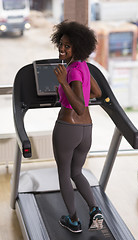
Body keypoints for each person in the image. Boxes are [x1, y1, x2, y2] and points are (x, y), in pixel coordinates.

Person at [51, 20, 103, 233]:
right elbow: (97, 93)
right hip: (86, 130)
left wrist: (64, 83)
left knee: (64, 173)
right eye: (61, 44)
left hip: (68, 126)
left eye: (67, 46)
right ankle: (93, 210)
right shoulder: (83, 66)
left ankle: (73, 220)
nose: (62, 49)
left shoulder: (71, 71)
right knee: (77, 171)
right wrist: (72, 90)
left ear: (78, 47)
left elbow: (79, 107)